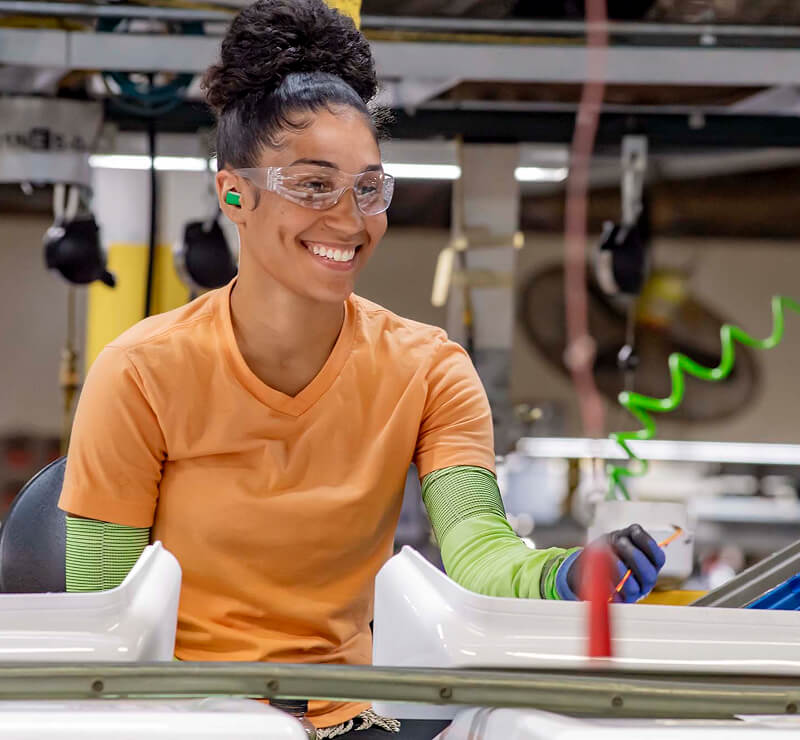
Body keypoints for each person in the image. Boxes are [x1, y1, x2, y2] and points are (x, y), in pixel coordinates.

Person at [58, 1, 666, 737]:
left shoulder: (430, 370)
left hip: (345, 717)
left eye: (369, 188)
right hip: (185, 716)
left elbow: (478, 549)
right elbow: (100, 612)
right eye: (313, 186)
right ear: (232, 194)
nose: (349, 220)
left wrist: (564, 577)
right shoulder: (140, 372)